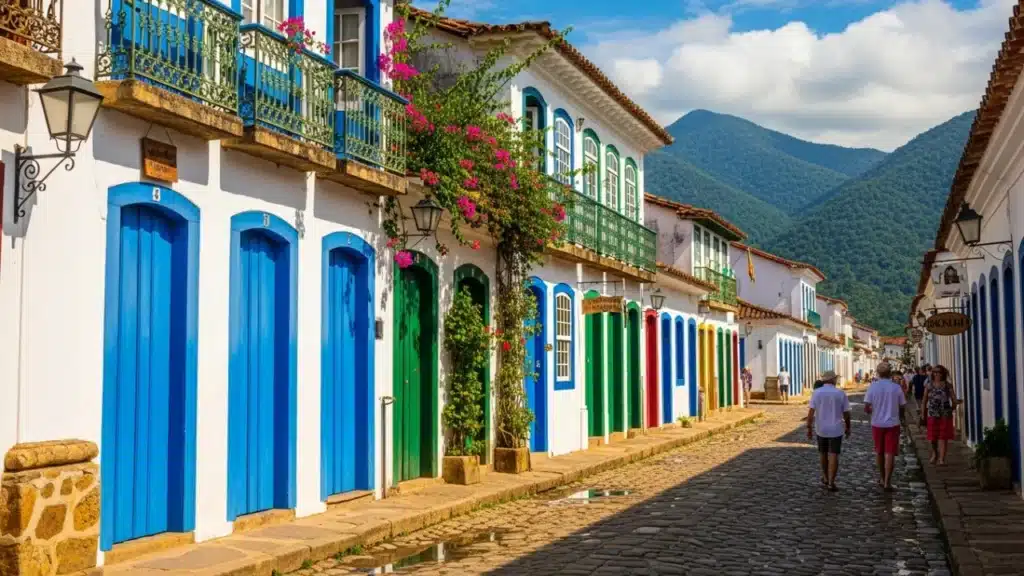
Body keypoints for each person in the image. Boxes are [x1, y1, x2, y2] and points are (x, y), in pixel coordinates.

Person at [864, 362, 906, 491]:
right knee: (890, 453)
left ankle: (882, 478)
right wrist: (901, 417)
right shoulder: (896, 387)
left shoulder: (873, 387)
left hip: (877, 423)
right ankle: (888, 481)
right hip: (893, 423)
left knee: (879, 452)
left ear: (878, 373)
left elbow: (867, 407)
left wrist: (872, 410)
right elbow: (902, 405)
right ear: (890, 373)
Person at [807, 370, 851, 492]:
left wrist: (809, 427)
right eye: (835, 378)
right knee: (833, 454)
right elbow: (846, 413)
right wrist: (848, 426)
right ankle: (831, 482)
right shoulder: (840, 393)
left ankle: (825, 477)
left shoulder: (816, 393)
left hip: (821, 429)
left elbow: (811, 412)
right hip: (836, 429)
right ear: (832, 380)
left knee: (823, 453)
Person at [921, 365, 959, 465]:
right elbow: (924, 400)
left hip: (945, 413)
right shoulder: (929, 385)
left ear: (943, 374)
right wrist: (922, 413)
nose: (937, 374)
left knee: (943, 436)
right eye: (935, 372)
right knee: (933, 437)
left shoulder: (948, 385)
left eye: (939, 372)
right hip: (932, 413)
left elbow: (953, 398)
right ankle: (935, 453)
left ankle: (942, 459)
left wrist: (953, 406)